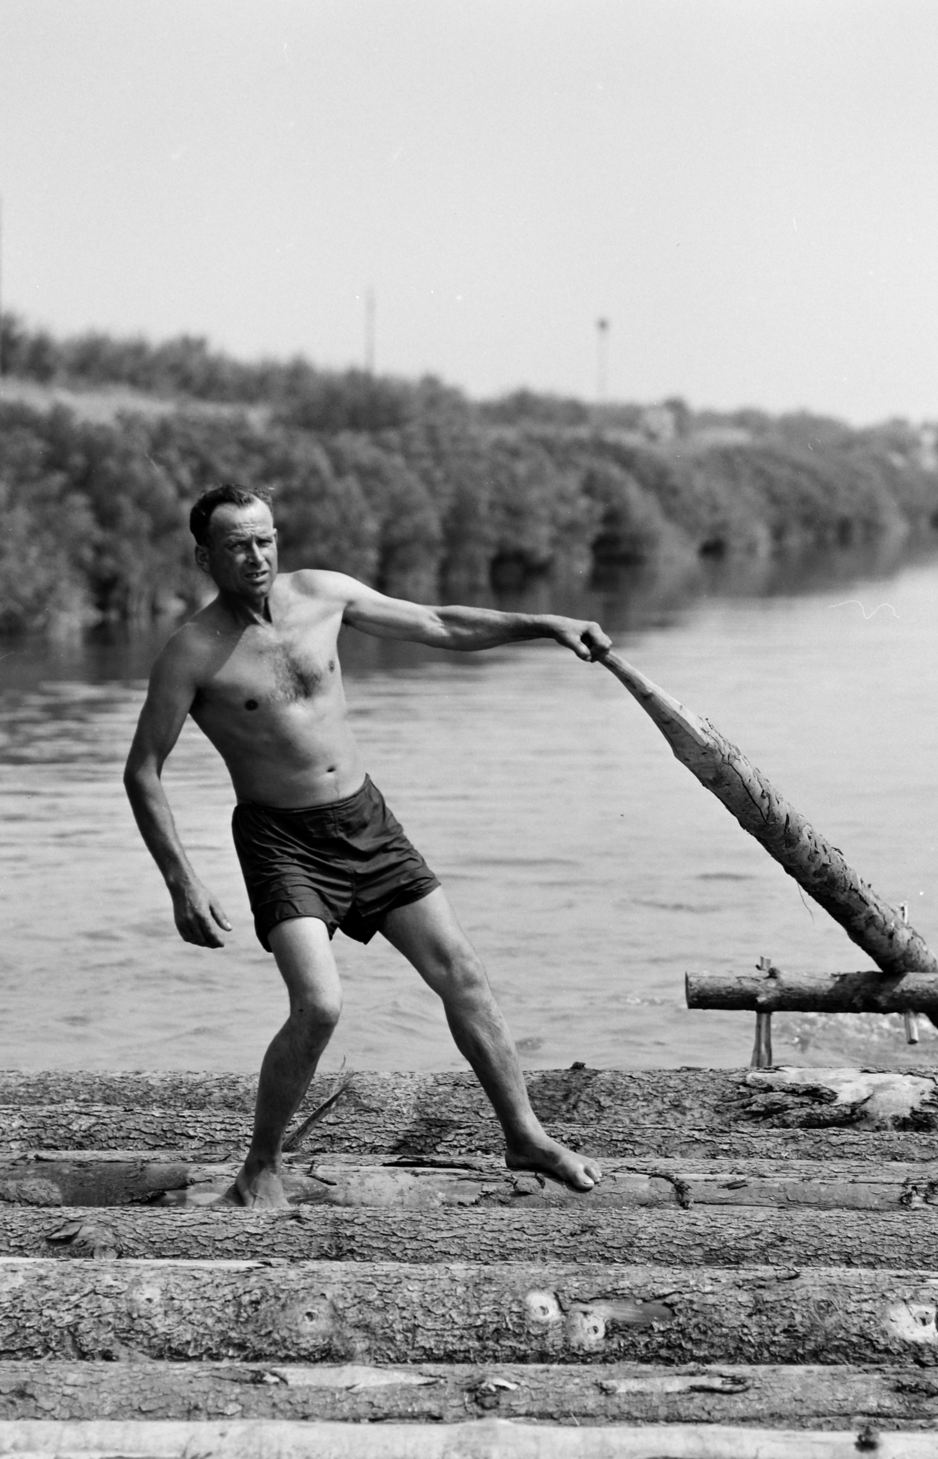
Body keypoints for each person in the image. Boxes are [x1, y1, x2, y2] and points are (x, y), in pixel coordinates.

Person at [124, 483, 610, 1207]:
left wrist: (544, 623)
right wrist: (182, 883)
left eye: (265, 539)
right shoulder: (192, 651)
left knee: (463, 974)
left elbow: (439, 623)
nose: (256, 556)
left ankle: (524, 1135)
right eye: (236, 545)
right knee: (319, 1005)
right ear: (205, 557)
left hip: (366, 823)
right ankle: (259, 1168)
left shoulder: (322, 595)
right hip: (282, 842)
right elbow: (142, 771)